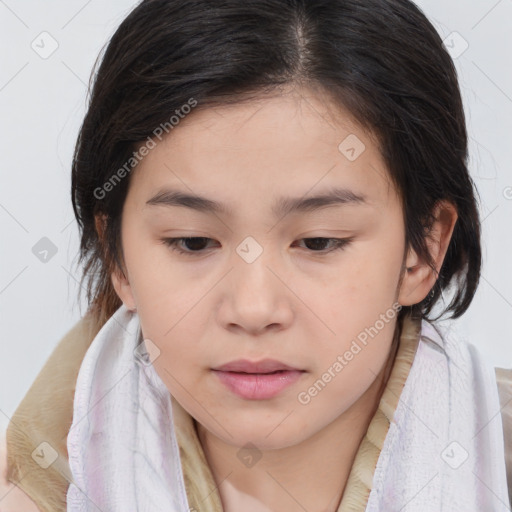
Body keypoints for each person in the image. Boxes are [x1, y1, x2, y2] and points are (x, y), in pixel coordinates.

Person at [1, 0, 511, 510]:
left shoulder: (495, 454)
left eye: (318, 242)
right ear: (118, 259)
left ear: (422, 251)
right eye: (193, 242)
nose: (253, 308)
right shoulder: (52, 466)